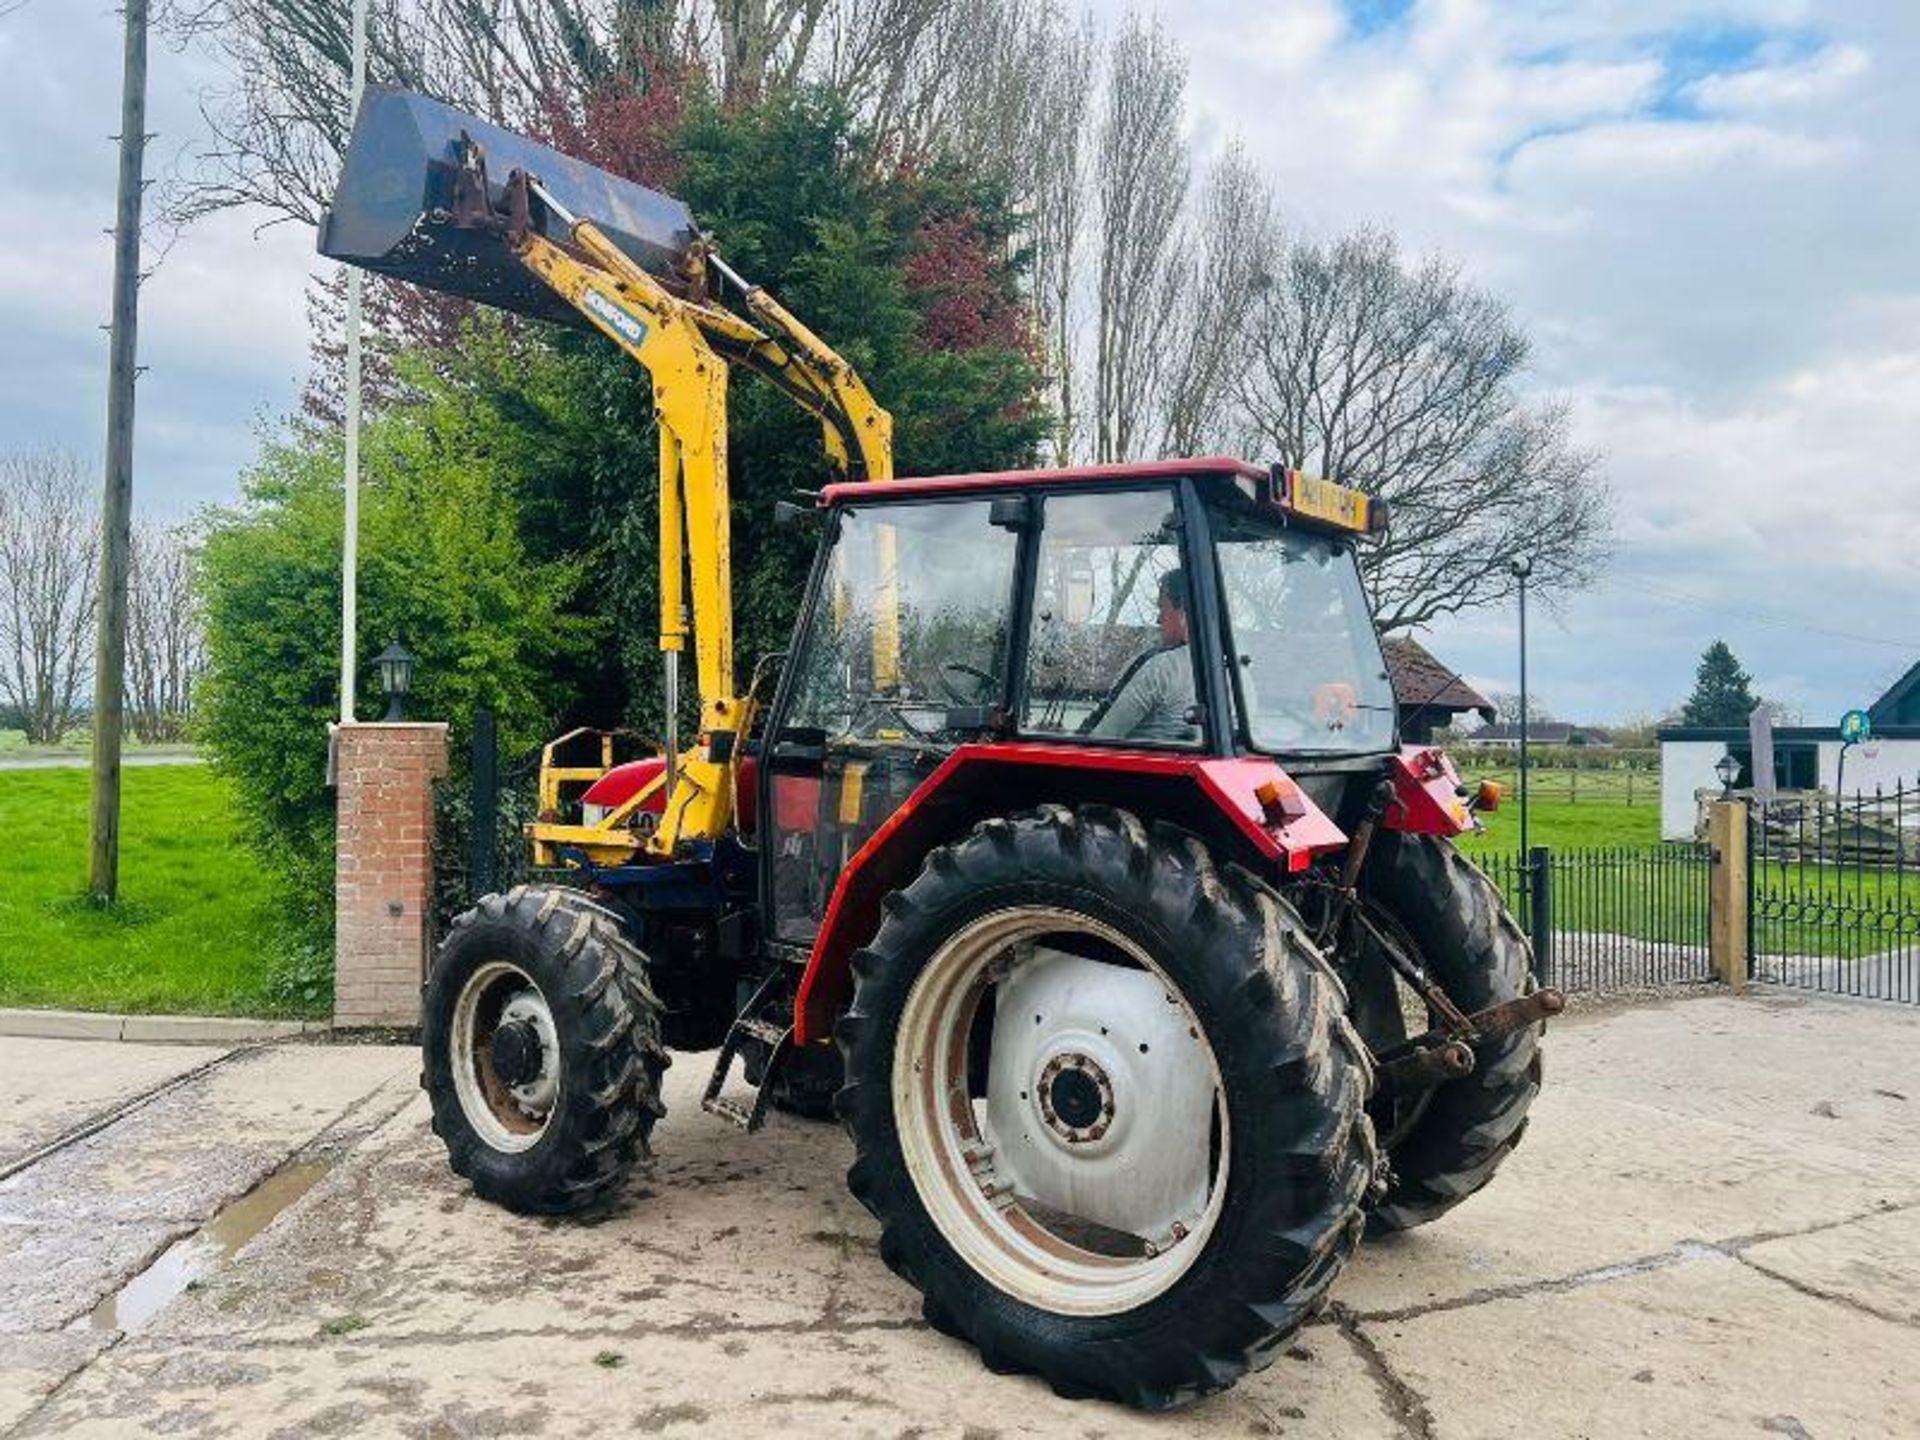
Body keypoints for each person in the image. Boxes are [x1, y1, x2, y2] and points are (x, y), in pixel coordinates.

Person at [1087, 568, 1198, 743]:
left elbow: (1101, 738)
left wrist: (1058, 738)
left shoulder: (1160, 668)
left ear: (1183, 613)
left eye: (1162, 608)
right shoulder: (1236, 674)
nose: (1158, 619)